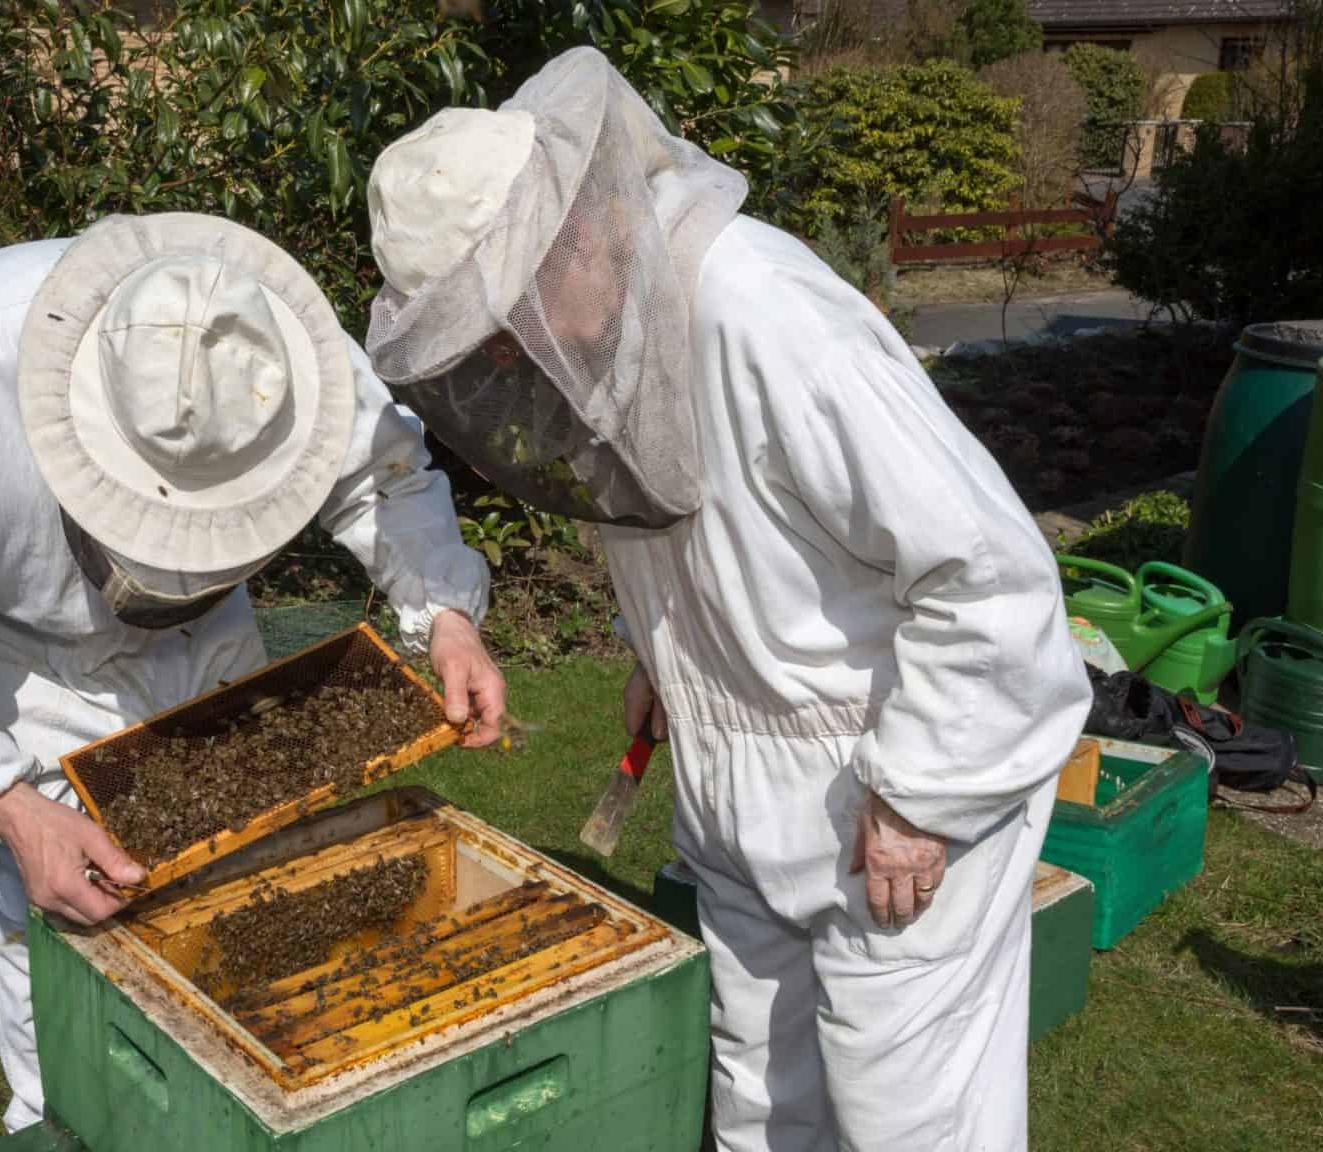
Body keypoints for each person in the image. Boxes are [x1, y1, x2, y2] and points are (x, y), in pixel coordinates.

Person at [363, 49, 1091, 1152]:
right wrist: (669, 659)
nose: (507, 350)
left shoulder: (767, 311)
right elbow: (702, 536)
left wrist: (923, 796)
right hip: (732, 789)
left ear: (581, 229)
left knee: (906, 1123)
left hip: (885, 787)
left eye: (506, 307)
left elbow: (988, 573)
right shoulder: (602, 330)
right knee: (757, 1108)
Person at [0, 213, 505, 1132]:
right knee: (67, 947)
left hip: (209, 644)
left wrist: (445, 615)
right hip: (34, 670)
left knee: (256, 903)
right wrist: (6, 804)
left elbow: (383, 476)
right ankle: (58, 1120)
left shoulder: (267, 344)